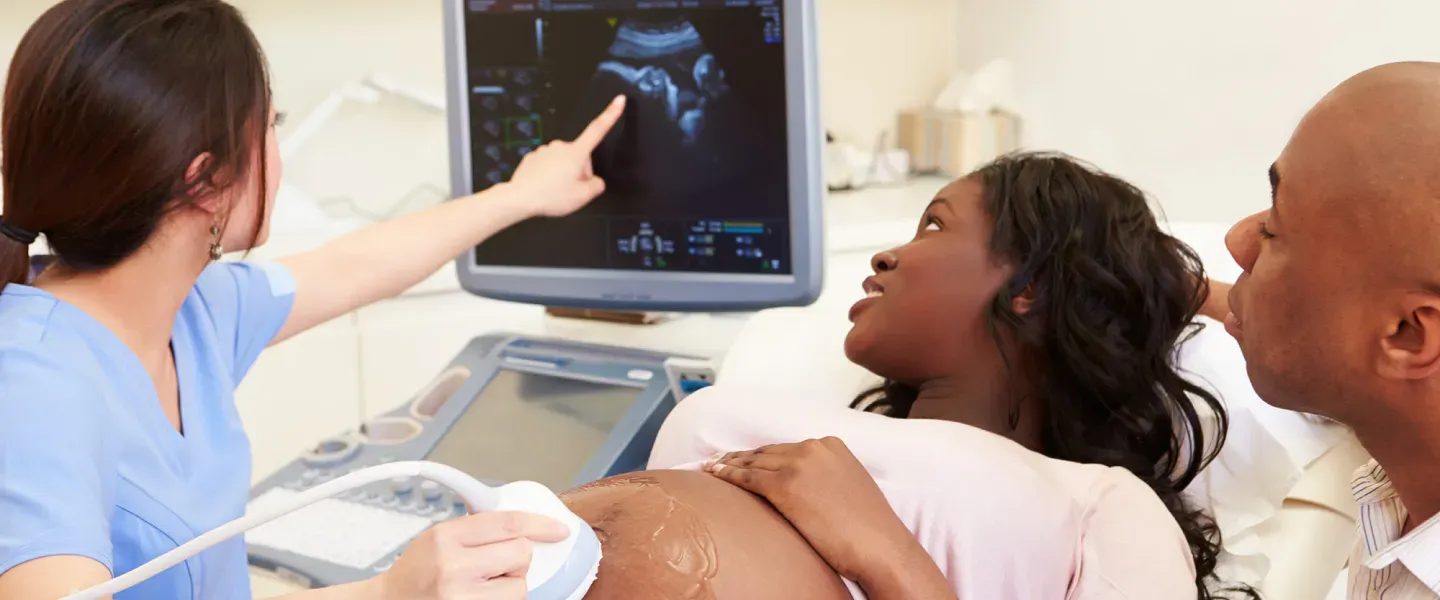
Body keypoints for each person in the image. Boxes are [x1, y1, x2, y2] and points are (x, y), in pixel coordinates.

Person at [0, 1, 627, 598]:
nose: (277, 148)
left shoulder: (192, 311)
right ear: (206, 179)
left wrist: (522, 195)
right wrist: (387, 592)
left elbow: (354, 266)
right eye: (271, 125)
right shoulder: (32, 384)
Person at [649, 152, 1258, 599]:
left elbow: (1311, 338)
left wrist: (886, 556)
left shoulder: (1101, 503)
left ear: (1030, 286)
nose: (884, 257)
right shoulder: (779, 416)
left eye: (934, 226)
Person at [1202, 61, 1440, 599]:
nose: (1239, 240)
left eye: (1272, 228)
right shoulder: (1397, 497)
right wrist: (1201, 293)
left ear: (1407, 335)